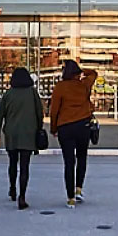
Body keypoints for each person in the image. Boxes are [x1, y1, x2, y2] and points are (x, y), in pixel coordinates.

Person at [0, 67, 44, 210]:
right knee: (25, 166)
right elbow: (40, 113)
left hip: (11, 134)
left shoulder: (8, 94)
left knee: (12, 163)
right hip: (28, 133)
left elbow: (0, 116)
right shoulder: (32, 93)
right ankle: (22, 196)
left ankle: (12, 188)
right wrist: (39, 128)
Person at [49, 60, 97, 208]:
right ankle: (78, 189)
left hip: (65, 127)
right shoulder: (84, 85)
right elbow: (94, 73)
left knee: (69, 162)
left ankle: (70, 198)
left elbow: (54, 110)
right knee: (82, 157)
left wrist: (53, 128)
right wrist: (81, 70)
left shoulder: (60, 87)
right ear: (76, 72)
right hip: (83, 126)